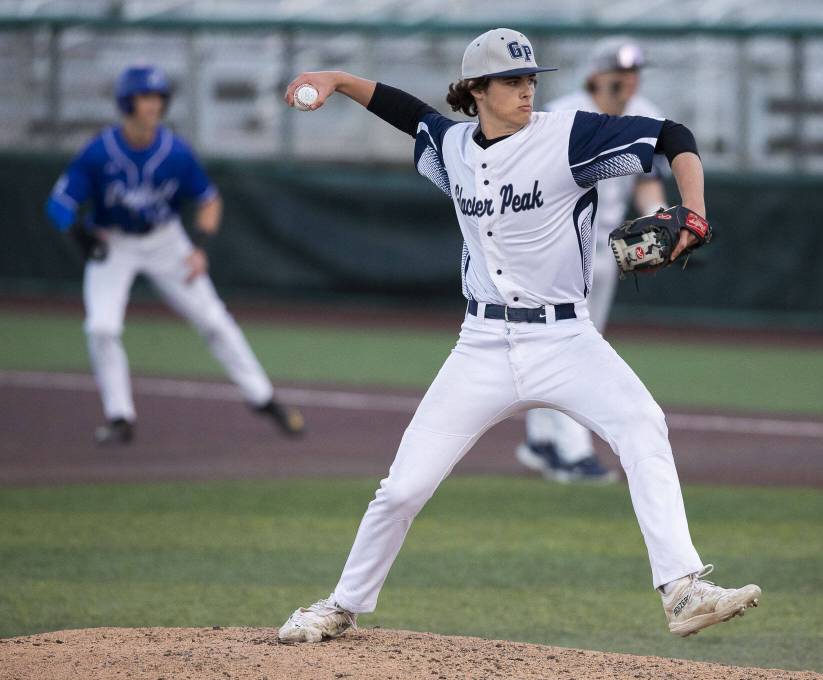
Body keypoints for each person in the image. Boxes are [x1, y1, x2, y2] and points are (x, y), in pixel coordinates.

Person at [277, 28, 760, 643]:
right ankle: (341, 605)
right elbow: (408, 114)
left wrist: (693, 209)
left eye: (531, 78)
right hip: (479, 346)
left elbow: (673, 137)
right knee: (402, 489)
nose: (527, 89)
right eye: (512, 80)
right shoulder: (452, 145)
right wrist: (338, 81)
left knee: (643, 424)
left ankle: (683, 587)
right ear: (476, 90)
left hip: (567, 342)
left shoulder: (568, 136)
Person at [45, 65, 304, 444]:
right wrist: (81, 236)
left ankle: (265, 399)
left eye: (157, 98)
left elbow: (209, 200)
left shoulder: (175, 152)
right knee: (101, 327)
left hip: (166, 241)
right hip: (114, 242)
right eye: (144, 97)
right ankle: (120, 417)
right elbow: (59, 205)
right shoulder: (99, 153)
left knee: (214, 321)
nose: (152, 105)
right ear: (126, 102)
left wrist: (198, 247)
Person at [517, 37, 670, 484]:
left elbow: (649, 179)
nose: (630, 81)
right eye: (620, 73)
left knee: (560, 343)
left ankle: (542, 441)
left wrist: (660, 222)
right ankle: (572, 452)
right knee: (573, 347)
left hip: (605, 251)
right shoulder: (565, 113)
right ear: (596, 75)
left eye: (635, 72)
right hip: (554, 247)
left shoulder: (646, 112)